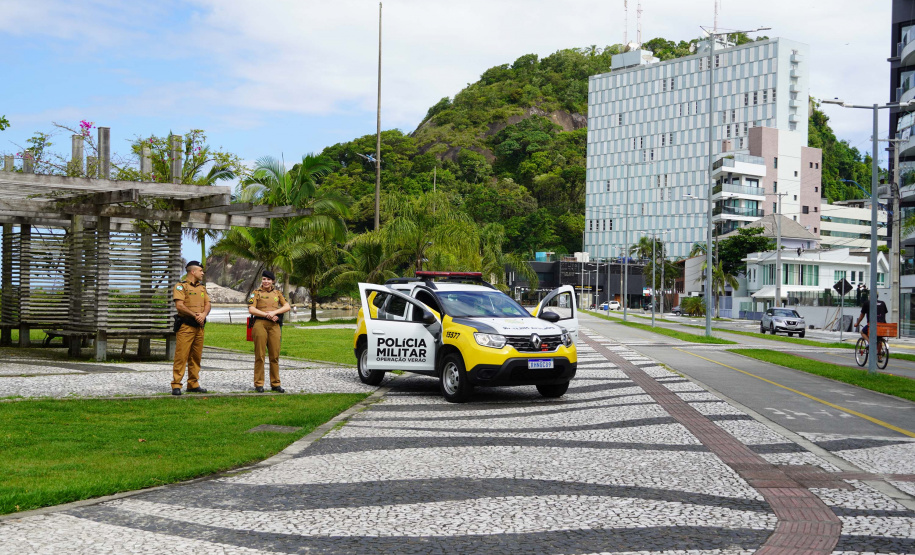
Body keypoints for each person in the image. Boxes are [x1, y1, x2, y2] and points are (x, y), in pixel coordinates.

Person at [247, 270, 291, 393]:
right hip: (259, 324)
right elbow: (251, 309)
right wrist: (266, 315)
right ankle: (259, 384)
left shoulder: (278, 293)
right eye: (264, 279)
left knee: (275, 355)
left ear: (273, 281)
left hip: (274, 326)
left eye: (268, 279)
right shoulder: (255, 293)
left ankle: (275, 383)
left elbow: (287, 306)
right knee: (260, 355)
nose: (266, 281)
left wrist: (274, 313)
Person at [171, 261, 211, 395]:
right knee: (181, 356)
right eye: (201, 271)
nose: (202, 273)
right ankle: (176, 384)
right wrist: (195, 315)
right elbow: (180, 306)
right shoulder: (181, 286)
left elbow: (208, 303)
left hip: (199, 327)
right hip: (186, 326)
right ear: (192, 272)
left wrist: (204, 314)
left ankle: (193, 384)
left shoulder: (202, 288)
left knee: (196, 357)